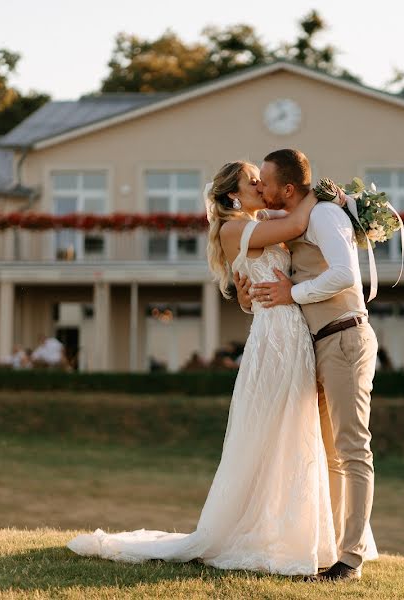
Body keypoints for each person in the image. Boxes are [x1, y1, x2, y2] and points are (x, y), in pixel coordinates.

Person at [68, 158, 341, 576]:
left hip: (291, 331)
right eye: (254, 181)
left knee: (293, 429)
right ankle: (262, 532)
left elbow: (280, 234)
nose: (261, 185)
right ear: (234, 193)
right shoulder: (236, 228)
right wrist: (320, 194)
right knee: (276, 429)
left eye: (263, 180)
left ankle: (293, 531)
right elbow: (293, 225)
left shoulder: (257, 218)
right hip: (277, 337)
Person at [248, 149, 379, 580]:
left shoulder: (324, 215)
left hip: (344, 337)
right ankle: (332, 549)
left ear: (288, 188)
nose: (259, 189)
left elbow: (345, 274)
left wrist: (294, 294)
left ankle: (351, 559)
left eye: (264, 182)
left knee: (352, 449)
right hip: (318, 344)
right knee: (329, 455)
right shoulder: (299, 217)